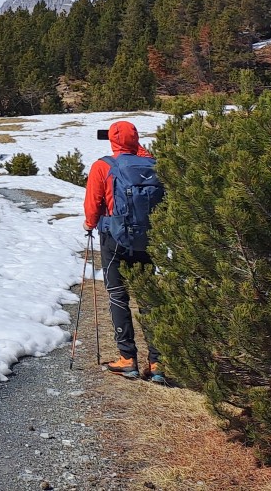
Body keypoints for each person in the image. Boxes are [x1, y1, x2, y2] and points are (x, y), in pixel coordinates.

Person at [83, 120, 165, 383]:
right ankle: (157, 363)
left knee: (119, 295)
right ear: (136, 139)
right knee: (150, 299)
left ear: (112, 140)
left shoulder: (104, 165)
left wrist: (88, 223)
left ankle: (128, 359)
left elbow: (93, 205)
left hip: (115, 239)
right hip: (149, 240)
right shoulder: (153, 164)